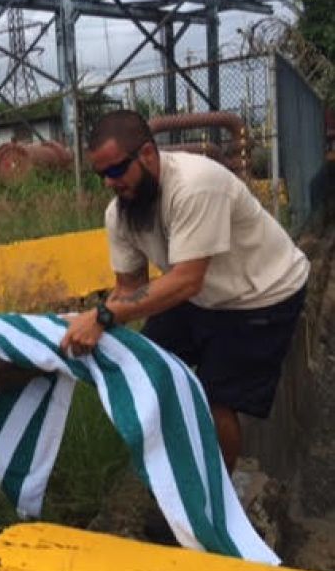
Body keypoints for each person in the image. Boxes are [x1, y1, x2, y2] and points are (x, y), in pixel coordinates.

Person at [61, 109, 309, 474]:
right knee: (146, 365)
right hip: (200, 294)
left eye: (115, 170)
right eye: (102, 175)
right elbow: (129, 288)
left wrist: (102, 315)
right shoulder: (121, 213)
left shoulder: (195, 185)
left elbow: (187, 278)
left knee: (214, 398)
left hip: (261, 293)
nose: (110, 184)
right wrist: (87, 325)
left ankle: (218, 496)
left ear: (147, 154)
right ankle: (169, 467)